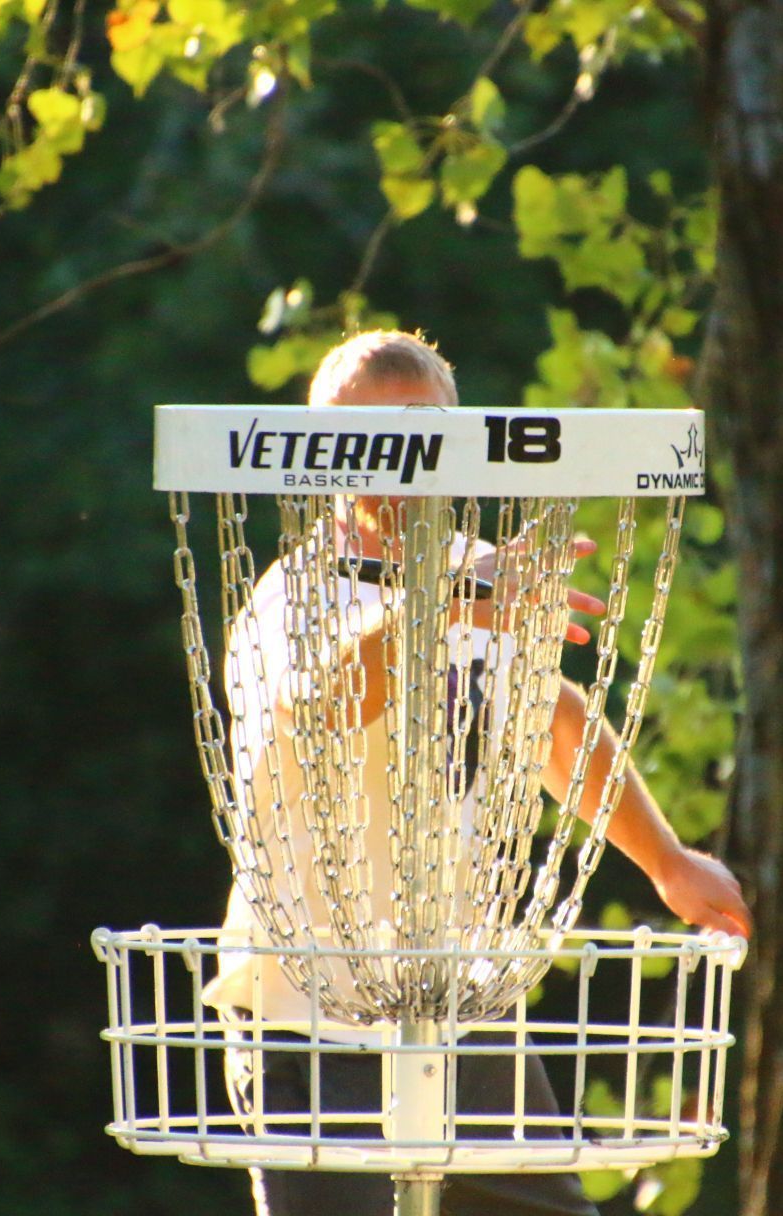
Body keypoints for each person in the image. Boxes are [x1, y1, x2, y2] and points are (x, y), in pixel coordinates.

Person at [204, 329, 753, 1216]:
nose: (398, 469)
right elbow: (336, 699)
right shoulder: (290, 600)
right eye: (367, 445)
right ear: (320, 461)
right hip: (307, 1010)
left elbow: (554, 721)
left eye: (422, 439)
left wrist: (668, 863)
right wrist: (457, 597)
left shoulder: (479, 577)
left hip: (460, 996)